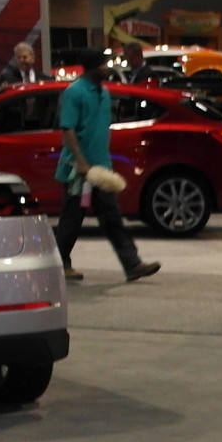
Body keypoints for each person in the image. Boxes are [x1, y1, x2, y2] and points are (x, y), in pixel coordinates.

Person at [55, 62, 159, 283]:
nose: (107, 69)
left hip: (101, 169)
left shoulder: (104, 92)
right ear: (91, 67)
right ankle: (59, 264)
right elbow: (68, 130)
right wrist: (82, 163)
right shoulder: (75, 92)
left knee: (111, 217)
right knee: (72, 218)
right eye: (102, 65)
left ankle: (132, 264)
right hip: (79, 171)